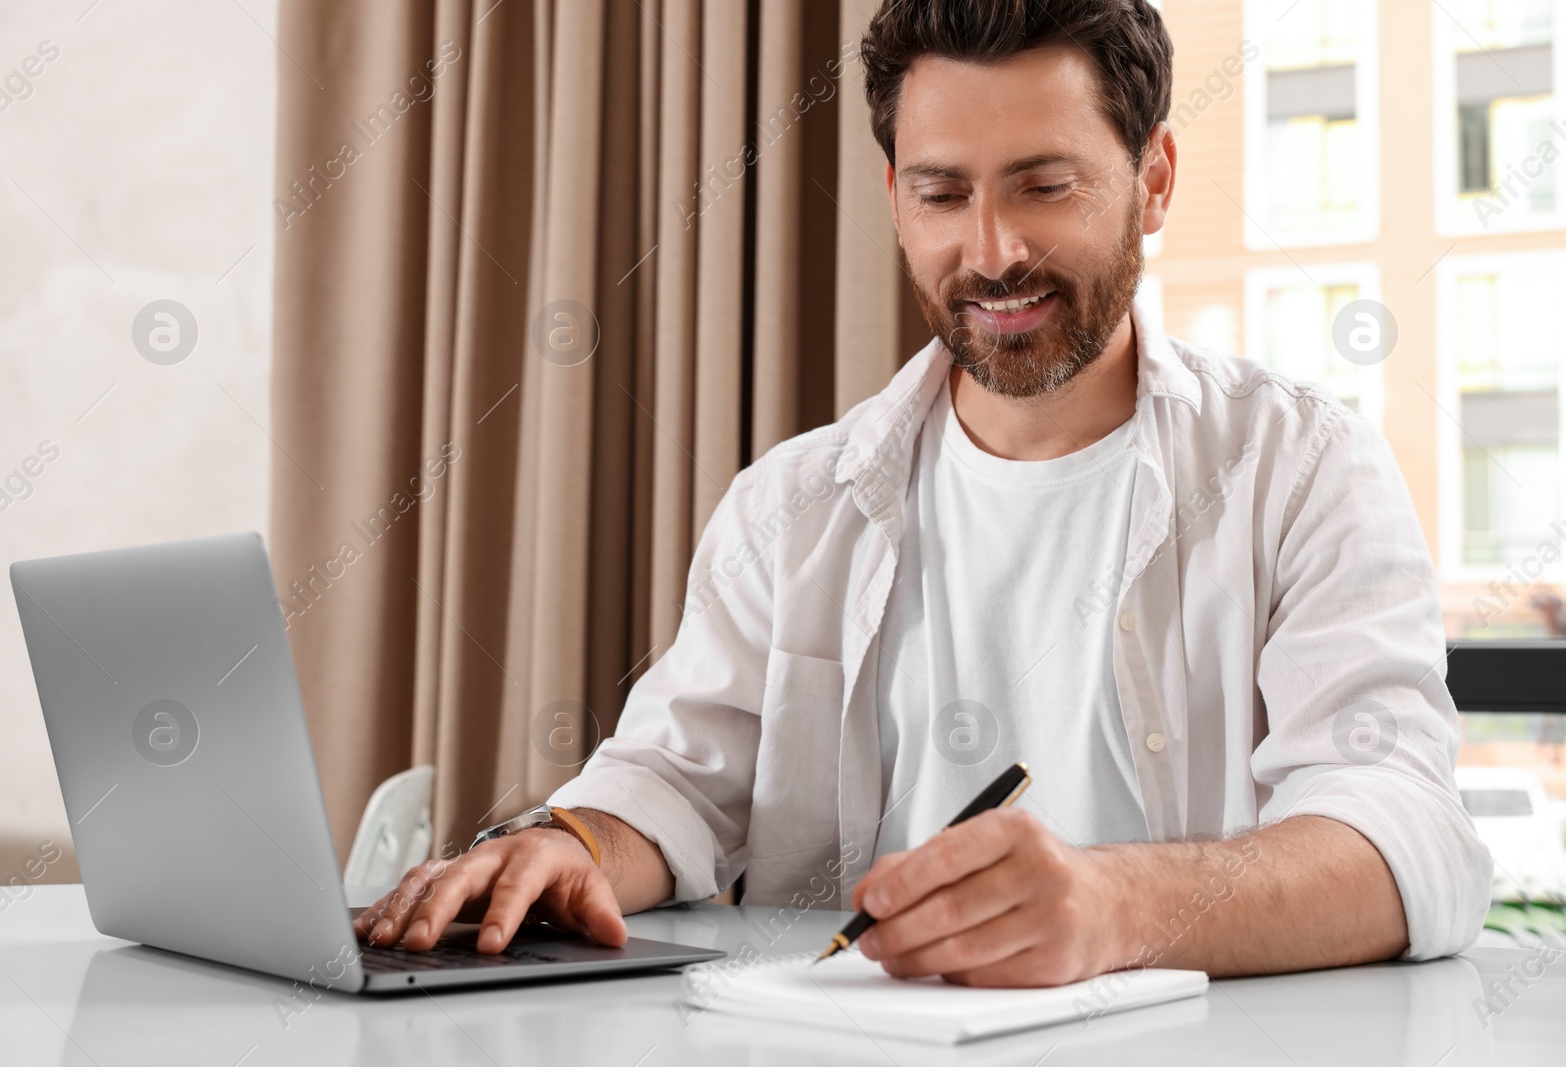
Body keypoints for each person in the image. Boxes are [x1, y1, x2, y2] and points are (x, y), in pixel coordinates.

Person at [356, 0, 1491, 986]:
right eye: (944, 194)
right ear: (897, 196)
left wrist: (1114, 908)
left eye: (1044, 186)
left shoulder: (1300, 468)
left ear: (1152, 180)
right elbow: (671, 784)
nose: (991, 251)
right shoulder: (791, 502)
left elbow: (1404, 840)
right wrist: (575, 844)